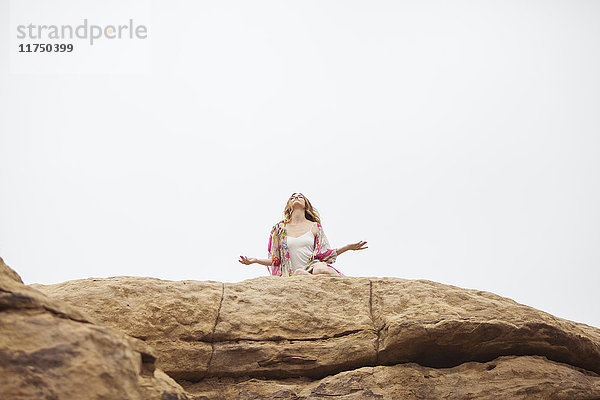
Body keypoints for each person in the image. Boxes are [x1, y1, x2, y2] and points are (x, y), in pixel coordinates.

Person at [239, 192, 368, 276]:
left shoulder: (315, 227)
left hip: (313, 267)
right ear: (289, 204)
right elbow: (276, 260)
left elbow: (325, 253)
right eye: (292, 197)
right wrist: (255, 261)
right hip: (293, 274)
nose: (296, 197)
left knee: (320, 269)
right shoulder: (279, 229)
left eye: (300, 196)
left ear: (306, 205)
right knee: (299, 273)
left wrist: (347, 247)